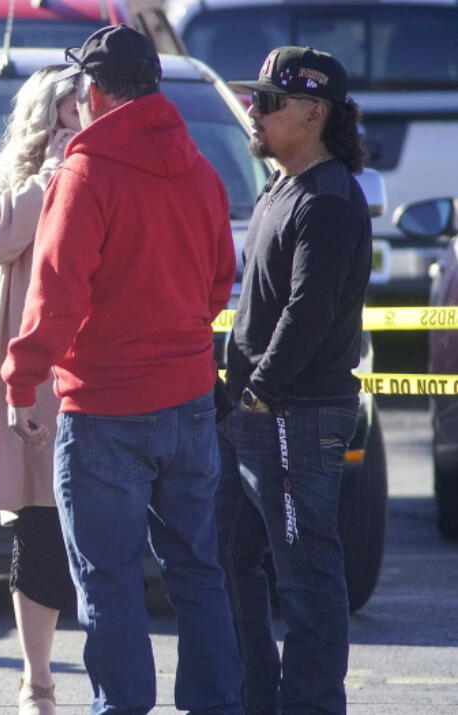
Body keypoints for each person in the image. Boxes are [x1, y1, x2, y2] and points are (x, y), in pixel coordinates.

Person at [1, 25, 241, 714]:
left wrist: (22, 381)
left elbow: (54, 295)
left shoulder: (86, 171)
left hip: (104, 407)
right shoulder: (199, 168)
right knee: (198, 571)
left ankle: (123, 706)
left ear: (95, 91)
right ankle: (215, 703)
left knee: (107, 578)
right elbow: (218, 284)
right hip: (191, 398)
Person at [220, 47, 371, 715]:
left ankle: (309, 705)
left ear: (313, 113)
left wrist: (261, 393)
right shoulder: (281, 186)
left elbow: (308, 310)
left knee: (306, 573)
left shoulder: (330, 198)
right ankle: (258, 695)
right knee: (231, 553)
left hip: (295, 413)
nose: (254, 110)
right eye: (254, 97)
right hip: (261, 412)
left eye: (269, 102)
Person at [0, 65, 80, 715]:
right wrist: (48, 176)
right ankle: (37, 680)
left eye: (87, 106)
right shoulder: (9, 175)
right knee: (38, 529)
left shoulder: (118, 165)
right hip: (37, 379)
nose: (80, 117)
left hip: (108, 374)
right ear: (44, 112)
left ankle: (115, 675)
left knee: (104, 533)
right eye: (68, 108)